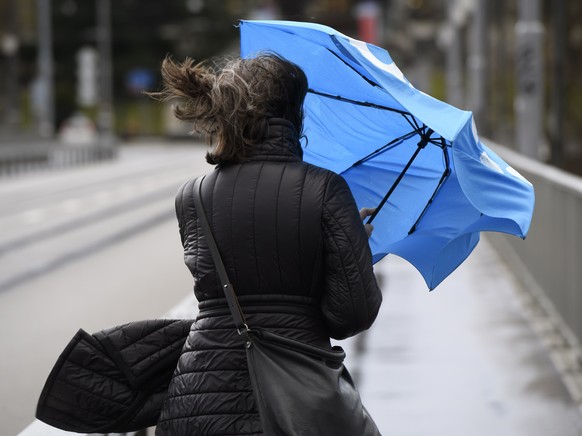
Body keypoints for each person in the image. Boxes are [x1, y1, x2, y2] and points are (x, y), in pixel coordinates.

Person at [152, 53, 382, 435]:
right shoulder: (325, 189)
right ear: (294, 114)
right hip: (295, 403)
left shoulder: (192, 197)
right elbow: (351, 316)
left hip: (196, 404)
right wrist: (352, 250)